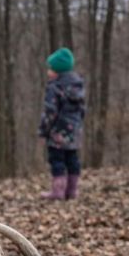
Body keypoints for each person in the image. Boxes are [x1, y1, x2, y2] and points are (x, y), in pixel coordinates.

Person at [38, 47, 85, 200]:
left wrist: (44, 131)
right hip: (74, 132)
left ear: (57, 71)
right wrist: (77, 127)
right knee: (72, 159)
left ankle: (58, 192)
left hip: (58, 131)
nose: (48, 72)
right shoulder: (78, 86)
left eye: (50, 69)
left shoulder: (55, 87)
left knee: (57, 160)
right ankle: (72, 191)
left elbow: (50, 112)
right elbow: (82, 110)